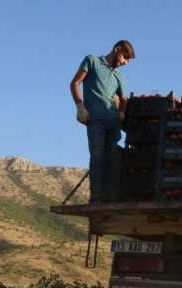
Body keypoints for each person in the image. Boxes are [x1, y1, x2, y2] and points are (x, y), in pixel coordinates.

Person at [70, 39, 135, 204]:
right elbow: (75, 83)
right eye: (125, 58)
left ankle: (107, 196)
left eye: (128, 61)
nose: (125, 63)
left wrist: (121, 113)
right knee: (97, 155)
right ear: (117, 49)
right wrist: (80, 106)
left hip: (113, 123)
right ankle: (96, 195)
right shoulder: (92, 61)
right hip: (96, 121)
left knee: (110, 159)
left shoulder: (119, 76)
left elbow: (124, 99)